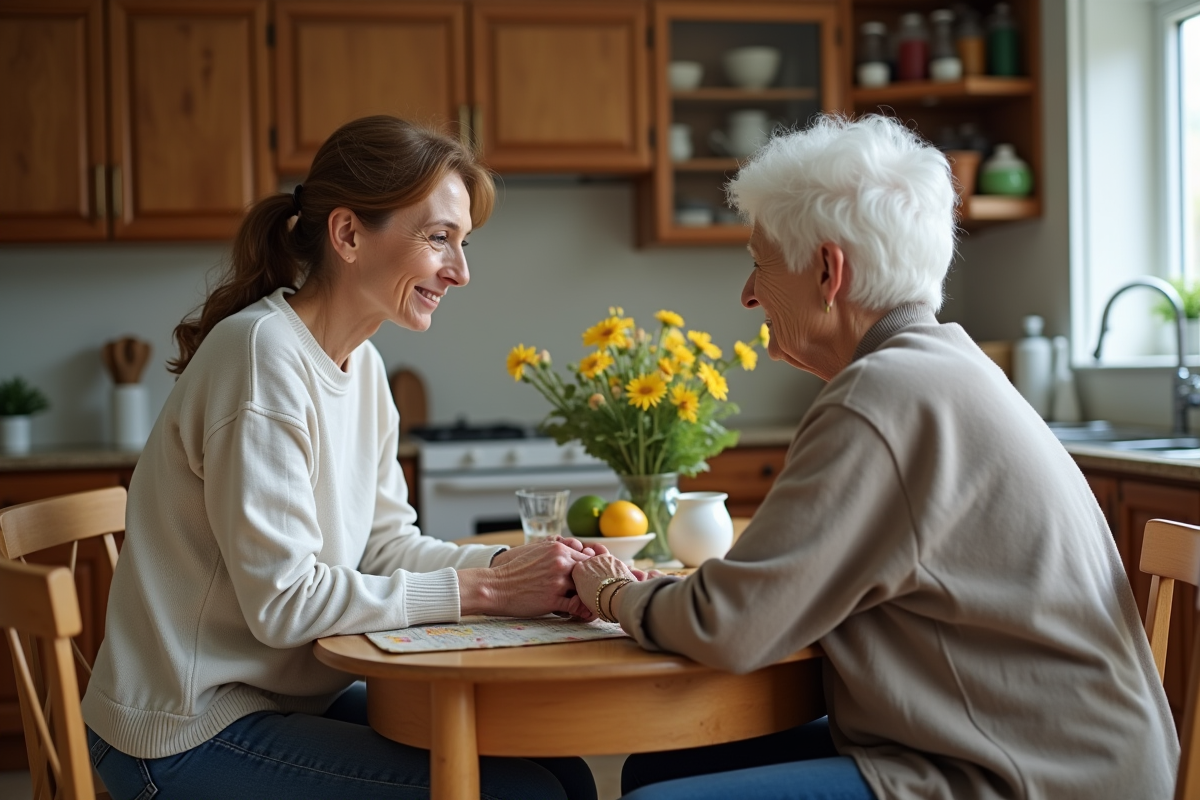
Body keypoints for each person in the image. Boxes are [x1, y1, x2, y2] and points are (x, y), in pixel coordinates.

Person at [572, 114, 1178, 800]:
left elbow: (731, 628)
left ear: (829, 271)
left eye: (760, 262)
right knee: (661, 763)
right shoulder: (944, 365)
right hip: (1057, 756)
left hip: (1021, 777)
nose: (747, 293)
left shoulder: (881, 396)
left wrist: (614, 593)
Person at [82, 116, 600, 800]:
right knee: (524, 794)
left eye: (464, 243)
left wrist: (524, 569)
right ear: (350, 234)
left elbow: (386, 547)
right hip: (186, 727)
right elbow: (286, 603)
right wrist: (494, 594)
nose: (461, 271)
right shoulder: (262, 355)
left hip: (285, 700)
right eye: (439, 237)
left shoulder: (362, 367)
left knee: (559, 768)